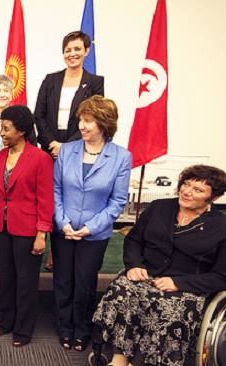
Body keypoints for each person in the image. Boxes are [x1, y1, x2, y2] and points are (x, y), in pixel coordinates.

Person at [93, 165, 226, 366]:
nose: (187, 192)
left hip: (186, 287)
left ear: (213, 198)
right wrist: (134, 265)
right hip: (146, 275)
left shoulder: (221, 227)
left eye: (198, 190)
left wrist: (179, 283)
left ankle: (139, 362)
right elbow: (134, 240)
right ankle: (119, 359)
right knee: (121, 291)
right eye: (186, 184)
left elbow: (221, 276)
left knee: (168, 310)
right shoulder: (159, 207)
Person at [52, 95, 131, 352]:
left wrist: (90, 228)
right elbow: (56, 190)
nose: (82, 126)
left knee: (85, 283)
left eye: (88, 121)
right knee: (63, 281)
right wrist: (63, 223)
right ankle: (65, 328)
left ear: (104, 123)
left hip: (94, 234)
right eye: (81, 121)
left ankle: (82, 329)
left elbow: (117, 202)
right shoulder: (67, 150)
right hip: (64, 230)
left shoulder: (121, 157)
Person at [0, 106, 54, 347]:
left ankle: (24, 329)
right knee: (6, 277)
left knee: (26, 281)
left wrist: (42, 234)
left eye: (6, 128)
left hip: (28, 230)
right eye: (1, 127)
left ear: (22, 130)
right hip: (3, 228)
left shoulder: (40, 158)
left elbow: (45, 198)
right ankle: (5, 321)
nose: (1, 132)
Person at [0, 75, 36, 277]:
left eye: (5, 90)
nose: (2, 94)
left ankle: (8, 260)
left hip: (15, 175)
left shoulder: (23, 119)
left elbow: (32, 146)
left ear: (12, 94)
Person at [34, 31, 104, 159]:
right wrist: (52, 143)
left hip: (80, 147)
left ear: (87, 51)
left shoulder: (95, 83)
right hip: (50, 147)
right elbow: (39, 115)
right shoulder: (50, 80)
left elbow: (96, 118)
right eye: (67, 50)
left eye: (77, 49)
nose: (72, 54)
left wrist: (67, 147)